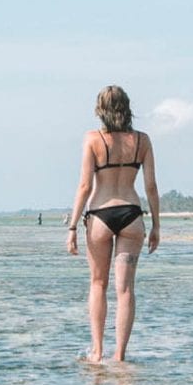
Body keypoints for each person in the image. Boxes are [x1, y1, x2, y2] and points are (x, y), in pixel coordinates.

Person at [66, 85, 160, 362]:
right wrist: (156, 225)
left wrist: (72, 227)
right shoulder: (142, 141)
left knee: (97, 283)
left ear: (100, 110)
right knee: (126, 289)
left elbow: (84, 186)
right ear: (127, 107)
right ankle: (119, 355)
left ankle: (97, 351)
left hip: (100, 215)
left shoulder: (93, 139)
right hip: (132, 214)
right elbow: (151, 187)